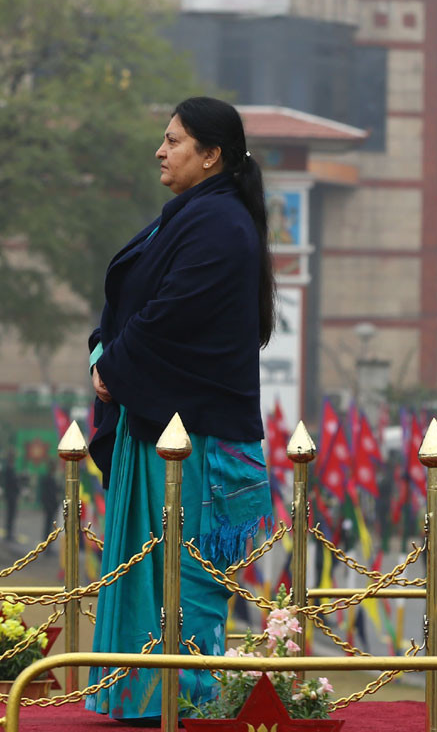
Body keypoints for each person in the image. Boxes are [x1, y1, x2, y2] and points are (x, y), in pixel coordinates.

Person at [85, 96, 276, 721]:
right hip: (161, 426)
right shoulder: (193, 215)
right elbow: (134, 305)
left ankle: (187, 708)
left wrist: (113, 368)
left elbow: (170, 320)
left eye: (174, 141)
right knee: (152, 577)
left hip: (194, 441)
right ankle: (144, 700)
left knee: (184, 581)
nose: (160, 151)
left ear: (212, 155)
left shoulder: (220, 226)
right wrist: (103, 352)